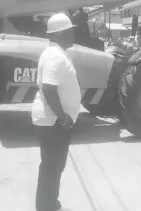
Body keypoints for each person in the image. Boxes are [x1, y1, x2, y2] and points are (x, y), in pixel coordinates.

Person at [32, 13, 81, 211]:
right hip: (54, 122)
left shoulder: (55, 52)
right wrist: (63, 118)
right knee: (51, 167)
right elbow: (49, 89)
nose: (73, 33)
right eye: (70, 30)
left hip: (53, 121)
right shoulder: (54, 55)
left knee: (53, 166)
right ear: (61, 33)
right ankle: (46, 206)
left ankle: (50, 203)